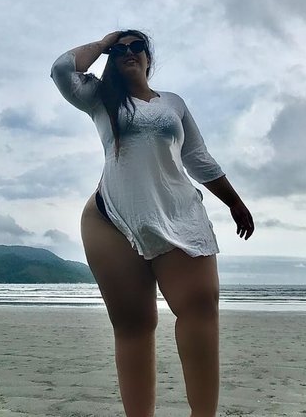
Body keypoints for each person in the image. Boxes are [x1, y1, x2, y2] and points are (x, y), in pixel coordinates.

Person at [50, 29, 254, 417]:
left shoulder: (173, 103)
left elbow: (198, 158)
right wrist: (103, 43)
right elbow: (62, 69)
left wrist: (234, 201)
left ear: (148, 58)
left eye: (136, 46)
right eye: (120, 49)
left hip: (178, 214)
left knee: (200, 308)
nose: (128, 51)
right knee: (135, 324)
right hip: (111, 219)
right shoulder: (100, 97)